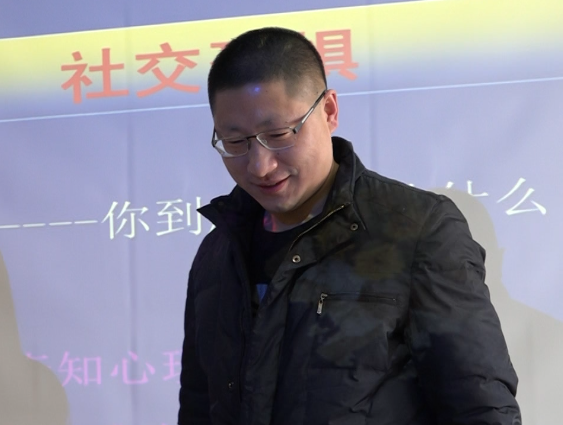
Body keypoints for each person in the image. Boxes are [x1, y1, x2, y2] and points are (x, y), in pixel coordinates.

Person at [178, 27, 520, 425]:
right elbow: (199, 406)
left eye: (278, 135)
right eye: (235, 142)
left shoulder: (417, 231)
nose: (259, 166)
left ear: (328, 111)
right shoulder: (219, 252)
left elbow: (480, 409)